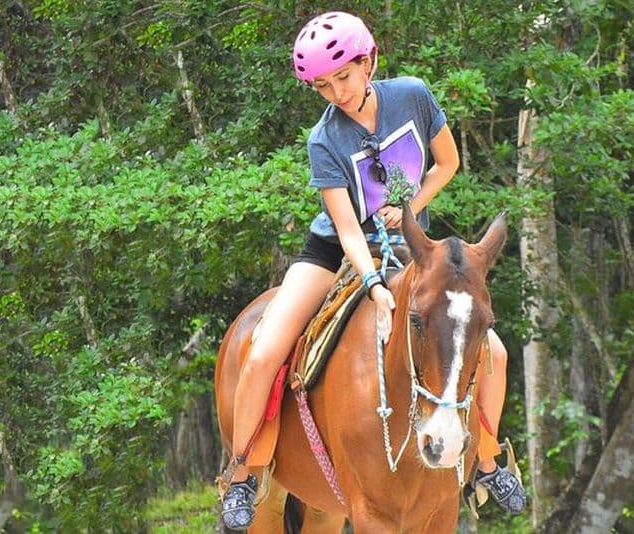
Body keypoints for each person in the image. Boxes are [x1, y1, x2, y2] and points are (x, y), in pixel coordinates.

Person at [221, 11, 526, 530]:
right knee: (264, 350)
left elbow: (446, 163)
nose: (336, 91)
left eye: (343, 77)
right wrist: (371, 285)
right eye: (322, 85)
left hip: (411, 248)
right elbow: (343, 228)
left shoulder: (413, 95)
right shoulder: (324, 139)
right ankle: (244, 473)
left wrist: (409, 204)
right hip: (335, 252)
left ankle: (488, 462)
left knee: (491, 348)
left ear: (369, 61)